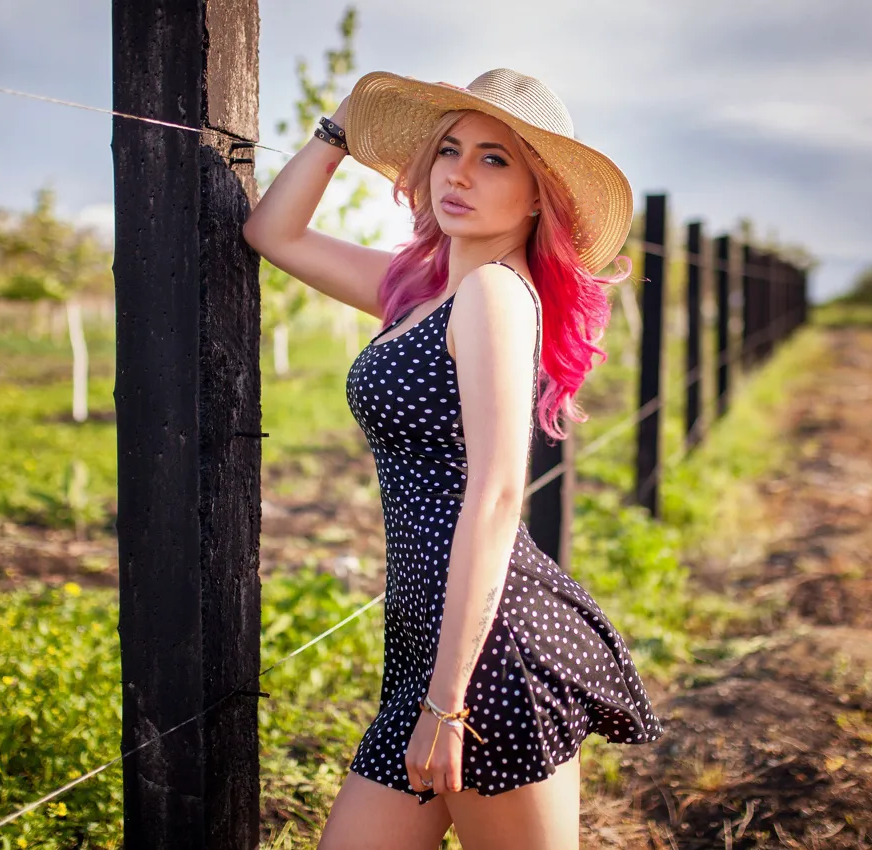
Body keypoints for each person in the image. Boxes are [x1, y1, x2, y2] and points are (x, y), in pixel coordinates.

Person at [243, 68, 664, 850]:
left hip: (488, 658)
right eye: (447, 149)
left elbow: (499, 495)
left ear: (541, 194)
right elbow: (274, 235)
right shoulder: (423, 290)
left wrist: (448, 701)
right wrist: (338, 133)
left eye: (495, 158)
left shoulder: (496, 297)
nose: (459, 174)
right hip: (431, 643)